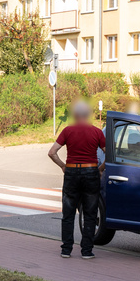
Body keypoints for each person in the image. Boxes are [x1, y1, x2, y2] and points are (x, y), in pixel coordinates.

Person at [47, 101, 105, 260]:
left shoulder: (67, 131)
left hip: (71, 172)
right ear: (88, 115)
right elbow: (110, 156)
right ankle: (87, 251)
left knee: (68, 213)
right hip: (91, 171)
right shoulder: (97, 132)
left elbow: (52, 152)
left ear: (75, 115)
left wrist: (63, 167)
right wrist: (99, 170)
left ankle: (66, 250)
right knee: (90, 213)